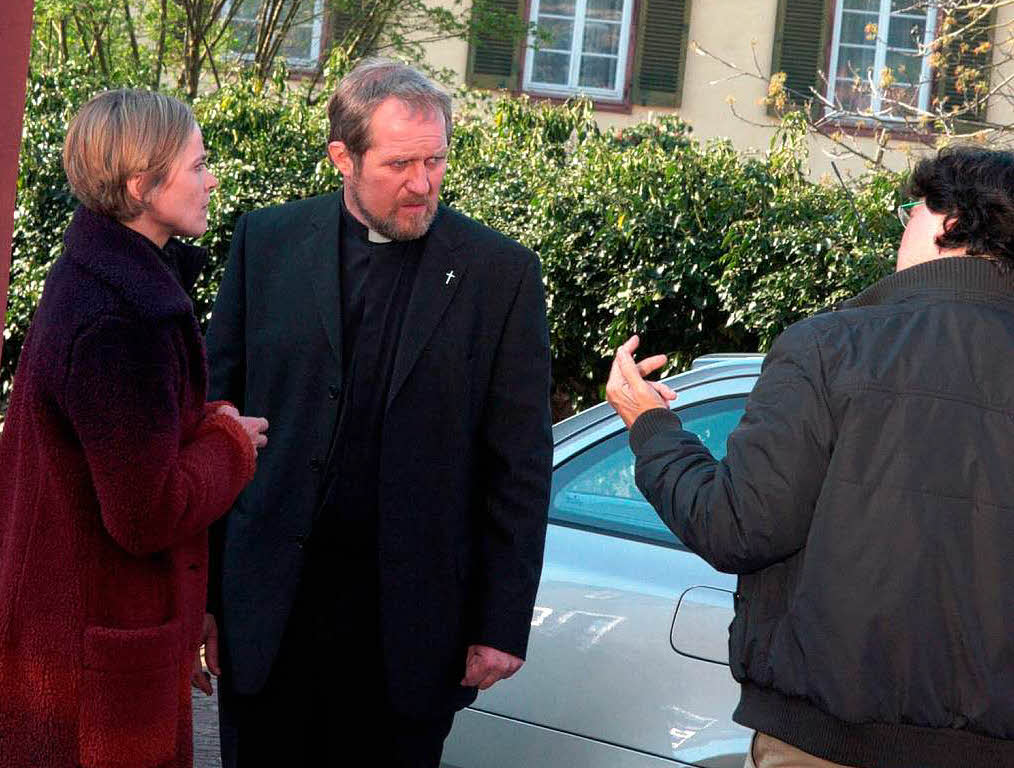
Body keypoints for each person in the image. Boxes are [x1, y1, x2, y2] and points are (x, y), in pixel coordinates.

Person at [606, 145, 1014, 768]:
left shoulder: (830, 346)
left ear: (947, 222)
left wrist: (651, 426)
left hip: (825, 742)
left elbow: (737, 526)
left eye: (910, 209)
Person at [205, 58, 553, 767]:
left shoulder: (500, 274)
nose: (423, 183)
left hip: (410, 635)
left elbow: (518, 463)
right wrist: (203, 597)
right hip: (271, 618)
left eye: (436, 161)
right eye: (400, 164)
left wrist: (502, 622)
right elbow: (212, 418)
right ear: (343, 156)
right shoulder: (265, 244)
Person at [0, 89, 268, 768]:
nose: (212, 181)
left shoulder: (99, 283)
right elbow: (145, 514)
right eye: (198, 165)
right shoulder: (119, 318)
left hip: (83, 636)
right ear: (141, 184)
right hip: (91, 667)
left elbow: (125, 448)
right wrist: (232, 446)